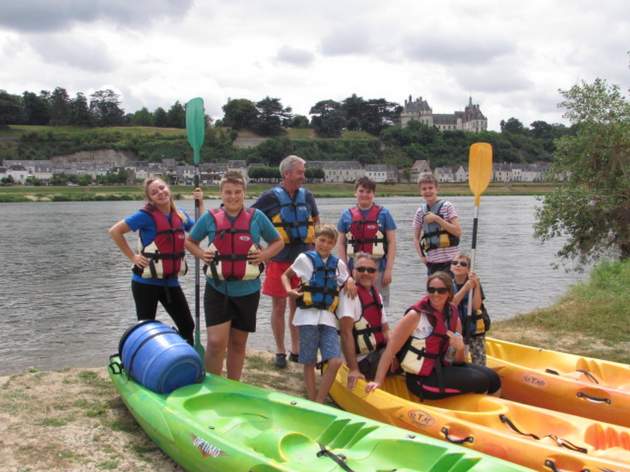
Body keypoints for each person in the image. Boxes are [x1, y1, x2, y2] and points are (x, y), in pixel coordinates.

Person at [185, 171, 284, 380]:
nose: (233, 196)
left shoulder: (257, 217)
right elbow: (189, 241)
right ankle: (212, 386)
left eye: (237, 192)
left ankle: (233, 386)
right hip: (217, 289)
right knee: (215, 342)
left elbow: (278, 242)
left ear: (244, 193)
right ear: (221, 194)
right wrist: (202, 254)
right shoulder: (210, 218)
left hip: (248, 291)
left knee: (238, 343)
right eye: (228, 192)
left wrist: (264, 255)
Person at [365, 272, 500, 400]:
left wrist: (459, 348)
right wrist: (378, 381)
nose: (436, 294)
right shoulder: (415, 316)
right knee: (482, 380)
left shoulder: (453, 316)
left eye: (441, 290)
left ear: (449, 293)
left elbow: (459, 361)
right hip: (421, 380)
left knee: (493, 377)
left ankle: (490, 415)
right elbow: (390, 350)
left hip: (443, 368)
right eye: (431, 290)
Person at [109, 178, 203, 345]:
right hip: (145, 282)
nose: (160, 193)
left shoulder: (180, 215)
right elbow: (115, 231)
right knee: (146, 329)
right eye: (154, 192)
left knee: (187, 325)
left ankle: (185, 360)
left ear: (169, 189)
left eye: (162, 188)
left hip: (170, 281)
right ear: (150, 199)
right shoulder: (144, 216)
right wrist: (133, 257)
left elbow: (200, 229)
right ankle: (145, 364)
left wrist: (200, 202)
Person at [252, 155, 319, 368]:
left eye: (303, 171)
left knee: (298, 305)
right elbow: (250, 219)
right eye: (300, 172)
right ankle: (280, 350)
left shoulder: (307, 196)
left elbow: (316, 222)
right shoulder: (269, 197)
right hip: (279, 260)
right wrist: (261, 249)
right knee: (279, 305)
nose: (303, 175)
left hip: (303, 259)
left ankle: (296, 350)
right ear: (287, 173)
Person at [281, 224, 355, 403]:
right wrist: (288, 290)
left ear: (334, 245)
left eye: (330, 242)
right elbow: (285, 276)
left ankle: (319, 400)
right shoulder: (304, 259)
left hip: (328, 319)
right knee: (309, 360)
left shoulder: (338, 264)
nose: (325, 245)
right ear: (315, 240)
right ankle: (313, 398)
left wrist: (351, 279)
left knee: (335, 360)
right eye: (322, 240)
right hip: (306, 317)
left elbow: (346, 278)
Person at [338, 252, 395, 390]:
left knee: (407, 346)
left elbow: (386, 329)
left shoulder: (377, 295)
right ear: (352, 271)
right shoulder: (349, 295)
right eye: (361, 269)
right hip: (361, 360)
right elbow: (346, 333)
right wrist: (353, 369)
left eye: (371, 270)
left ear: (376, 274)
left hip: (375, 352)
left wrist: (394, 352)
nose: (366, 273)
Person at [336, 176, 397, 306]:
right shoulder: (346, 215)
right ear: (355, 192)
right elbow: (341, 243)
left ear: (373, 194)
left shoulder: (384, 214)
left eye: (368, 192)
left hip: (378, 268)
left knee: (378, 306)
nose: (364, 194)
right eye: (361, 191)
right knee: (354, 305)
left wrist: (389, 270)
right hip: (354, 269)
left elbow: (392, 243)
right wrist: (345, 269)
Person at [412, 173, 462, 275]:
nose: (427, 191)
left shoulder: (448, 206)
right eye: (424, 189)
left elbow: (458, 232)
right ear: (420, 191)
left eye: (430, 188)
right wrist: (422, 256)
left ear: (436, 189)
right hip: (432, 263)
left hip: (451, 262)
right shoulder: (420, 212)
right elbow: (416, 238)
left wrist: (436, 218)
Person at [451, 253, 489, 366]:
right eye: (455, 263)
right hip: (457, 330)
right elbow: (452, 304)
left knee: (479, 360)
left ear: (468, 269)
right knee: (452, 357)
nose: (458, 265)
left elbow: (476, 306)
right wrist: (465, 288)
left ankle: (481, 379)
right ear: (450, 266)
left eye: (463, 264)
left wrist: (476, 286)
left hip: (474, 329)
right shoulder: (448, 284)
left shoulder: (474, 283)